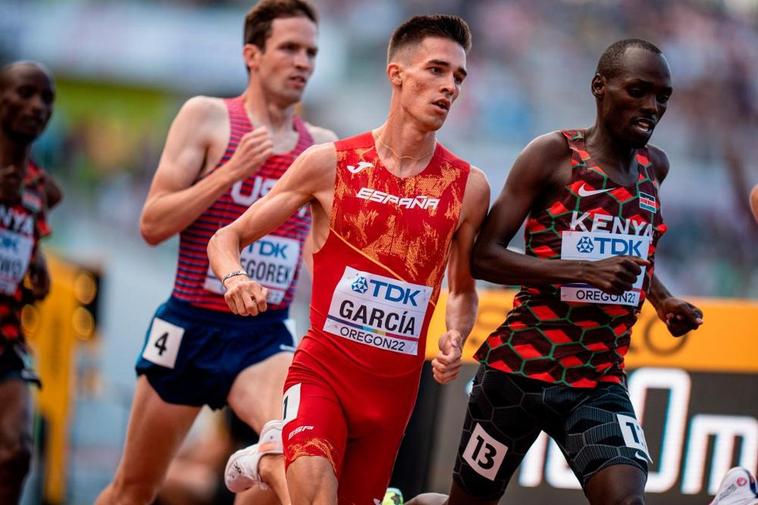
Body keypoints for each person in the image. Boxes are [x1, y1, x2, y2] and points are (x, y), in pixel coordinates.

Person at [208, 14, 490, 505]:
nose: (450, 87)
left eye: (459, 77)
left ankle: (271, 460)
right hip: (323, 374)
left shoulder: (469, 188)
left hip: (394, 395)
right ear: (397, 73)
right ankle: (276, 461)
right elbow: (226, 238)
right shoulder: (330, 164)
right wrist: (235, 278)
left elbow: (462, 289)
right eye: (437, 70)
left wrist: (455, 334)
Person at [410, 39, 704, 505]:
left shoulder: (655, 168)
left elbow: (633, 258)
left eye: (663, 96)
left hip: (598, 380)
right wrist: (582, 272)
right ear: (599, 88)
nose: (652, 106)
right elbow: (484, 256)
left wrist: (663, 299)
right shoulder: (554, 155)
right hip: (518, 374)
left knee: (626, 500)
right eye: (638, 90)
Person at [95, 1, 336, 504]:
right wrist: (229, 173)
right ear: (252, 54)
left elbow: (326, 254)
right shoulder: (207, 117)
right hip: (191, 327)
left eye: (311, 51)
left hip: (263, 337)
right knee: (134, 489)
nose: (303, 62)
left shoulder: (321, 148)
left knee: (297, 457)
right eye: (289, 48)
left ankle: (260, 456)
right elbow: (152, 224)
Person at [0, 60, 59, 504]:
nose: (37, 106)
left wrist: (37, 264)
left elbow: (25, 242)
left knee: (17, 452)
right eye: (25, 93)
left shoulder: (41, 187)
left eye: (46, 99)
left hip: (6, 339)